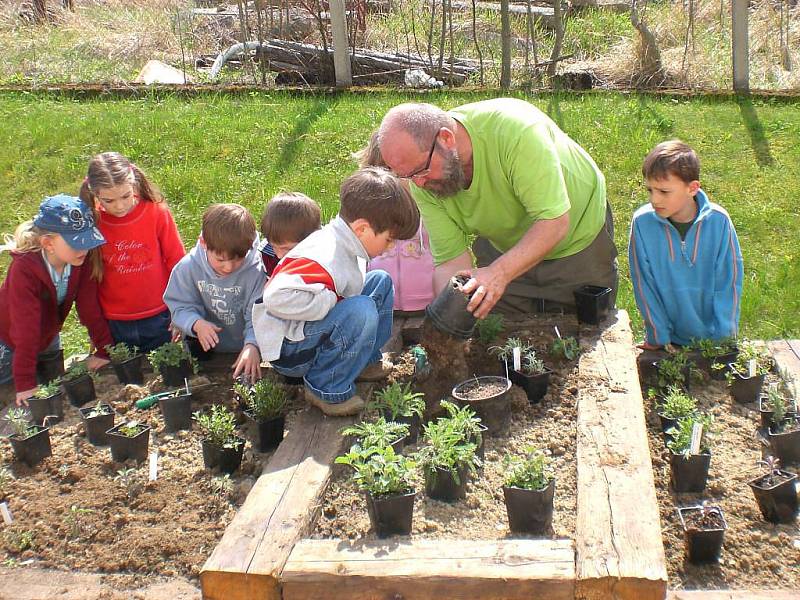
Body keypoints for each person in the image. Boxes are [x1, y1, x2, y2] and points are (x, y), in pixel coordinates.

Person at [377, 97, 618, 319]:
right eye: (407, 176)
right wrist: (449, 318)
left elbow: (554, 222)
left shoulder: (515, 133)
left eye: (421, 170)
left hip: (577, 236)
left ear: (446, 139)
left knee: (585, 332)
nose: (418, 183)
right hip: (503, 245)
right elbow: (451, 260)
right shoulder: (423, 180)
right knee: (500, 341)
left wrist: (499, 274)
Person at [252, 168, 419, 416]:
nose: (390, 247)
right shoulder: (324, 256)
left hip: (306, 332)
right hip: (290, 348)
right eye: (389, 239)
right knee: (360, 310)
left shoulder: (346, 244)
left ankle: (362, 362)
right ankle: (325, 387)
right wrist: (326, 300)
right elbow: (275, 297)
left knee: (380, 282)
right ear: (362, 228)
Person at [629, 140, 743, 349]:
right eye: (650, 190)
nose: (654, 199)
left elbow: (729, 284)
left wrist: (724, 341)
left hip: (714, 341)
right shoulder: (642, 223)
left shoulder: (719, 222)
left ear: (692, 188)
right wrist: (658, 336)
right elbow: (644, 285)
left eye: (663, 192)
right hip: (668, 340)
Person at [0, 195, 113, 406]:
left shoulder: (80, 260)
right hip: (9, 340)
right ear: (48, 244)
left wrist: (104, 350)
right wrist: (25, 383)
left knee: (52, 391)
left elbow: (90, 309)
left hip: (48, 334)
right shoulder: (24, 269)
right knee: (11, 397)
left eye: (87, 242)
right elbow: (25, 328)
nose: (84, 249)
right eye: (76, 244)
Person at [80, 152, 185, 352]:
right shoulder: (93, 221)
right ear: (95, 194)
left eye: (126, 196)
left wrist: (181, 309)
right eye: (108, 201)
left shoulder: (155, 212)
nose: (119, 206)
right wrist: (96, 330)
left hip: (160, 316)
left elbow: (177, 262)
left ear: (134, 184)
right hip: (115, 321)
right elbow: (89, 277)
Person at [163, 204, 266, 381]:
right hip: (204, 351)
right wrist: (195, 323)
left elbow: (259, 315)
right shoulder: (188, 268)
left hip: (245, 349)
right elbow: (179, 306)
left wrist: (253, 345)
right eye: (220, 260)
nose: (229, 267)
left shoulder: (256, 272)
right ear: (204, 243)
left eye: (238, 260)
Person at [259, 192, 321, 277]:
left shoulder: (323, 255)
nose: (279, 255)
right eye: (273, 246)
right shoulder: (267, 254)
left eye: (288, 249)